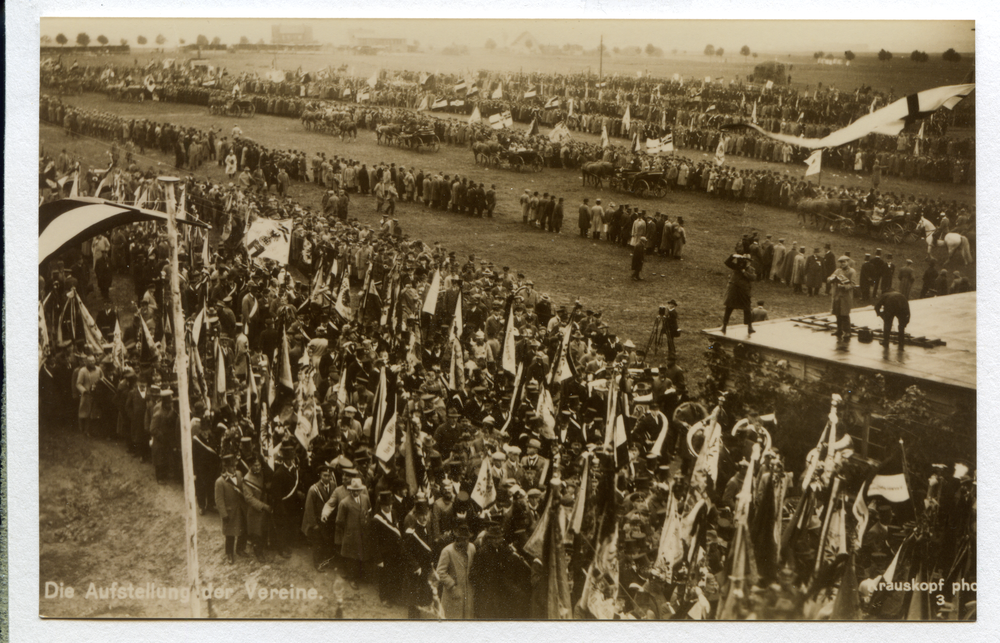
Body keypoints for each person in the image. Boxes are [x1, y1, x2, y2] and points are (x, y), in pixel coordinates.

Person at [337, 477, 372, 588]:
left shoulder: (365, 499)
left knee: (362, 555)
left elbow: (369, 512)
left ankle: (361, 576)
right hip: (351, 534)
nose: (356, 492)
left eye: (358, 490)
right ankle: (352, 579)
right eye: (354, 490)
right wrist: (348, 530)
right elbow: (339, 521)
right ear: (350, 490)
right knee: (352, 557)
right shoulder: (345, 503)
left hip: (363, 533)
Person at [436, 522, 476, 619]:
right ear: (457, 539)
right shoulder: (447, 551)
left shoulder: (472, 548)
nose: (465, 542)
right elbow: (440, 572)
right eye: (462, 539)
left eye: (467, 539)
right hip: (452, 594)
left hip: (468, 593)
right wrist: (452, 585)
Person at [215, 453, 248, 564]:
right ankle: (229, 553)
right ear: (226, 467)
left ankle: (240, 549)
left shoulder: (239, 474)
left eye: (235, 465)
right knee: (230, 534)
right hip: (230, 511)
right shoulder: (220, 481)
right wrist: (224, 514)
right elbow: (219, 500)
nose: (234, 468)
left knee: (243, 529)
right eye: (231, 466)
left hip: (241, 508)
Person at [721, 254, 756, 335]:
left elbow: (753, 277)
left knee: (747, 308)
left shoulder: (751, 269)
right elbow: (727, 262)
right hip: (734, 290)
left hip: (744, 291)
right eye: (744, 260)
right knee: (729, 307)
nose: (745, 262)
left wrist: (744, 272)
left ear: (749, 262)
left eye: (747, 261)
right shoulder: (736, 267)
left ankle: (749, 327)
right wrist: (732, 256)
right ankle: (724, 326)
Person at [828, 256, 857, 339]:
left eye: (844, 262)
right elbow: (830, 277)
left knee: (845, 314)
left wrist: (844, 286)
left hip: (845, 296)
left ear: (848, 262)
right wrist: (831, 279)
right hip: (837, 295)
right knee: (837, 313)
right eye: (841, 262)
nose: (842, 264)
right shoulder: (838, 270)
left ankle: (847, 332)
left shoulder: (852, 271)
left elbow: (853, 284)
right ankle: (839, 330)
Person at [75, 354, 103, 436]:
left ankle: (93, 431)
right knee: (85, 413)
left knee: (95, 413)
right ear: (86, 362)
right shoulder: (83, 371)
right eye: (90, 361)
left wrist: (99, 387)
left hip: (96, 394)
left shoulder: (99, 369)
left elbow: (102, 379)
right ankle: (84, 430)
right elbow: (78, 384)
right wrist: (84, 391)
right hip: (86, 395)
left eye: (93, 361)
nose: (92, 363)